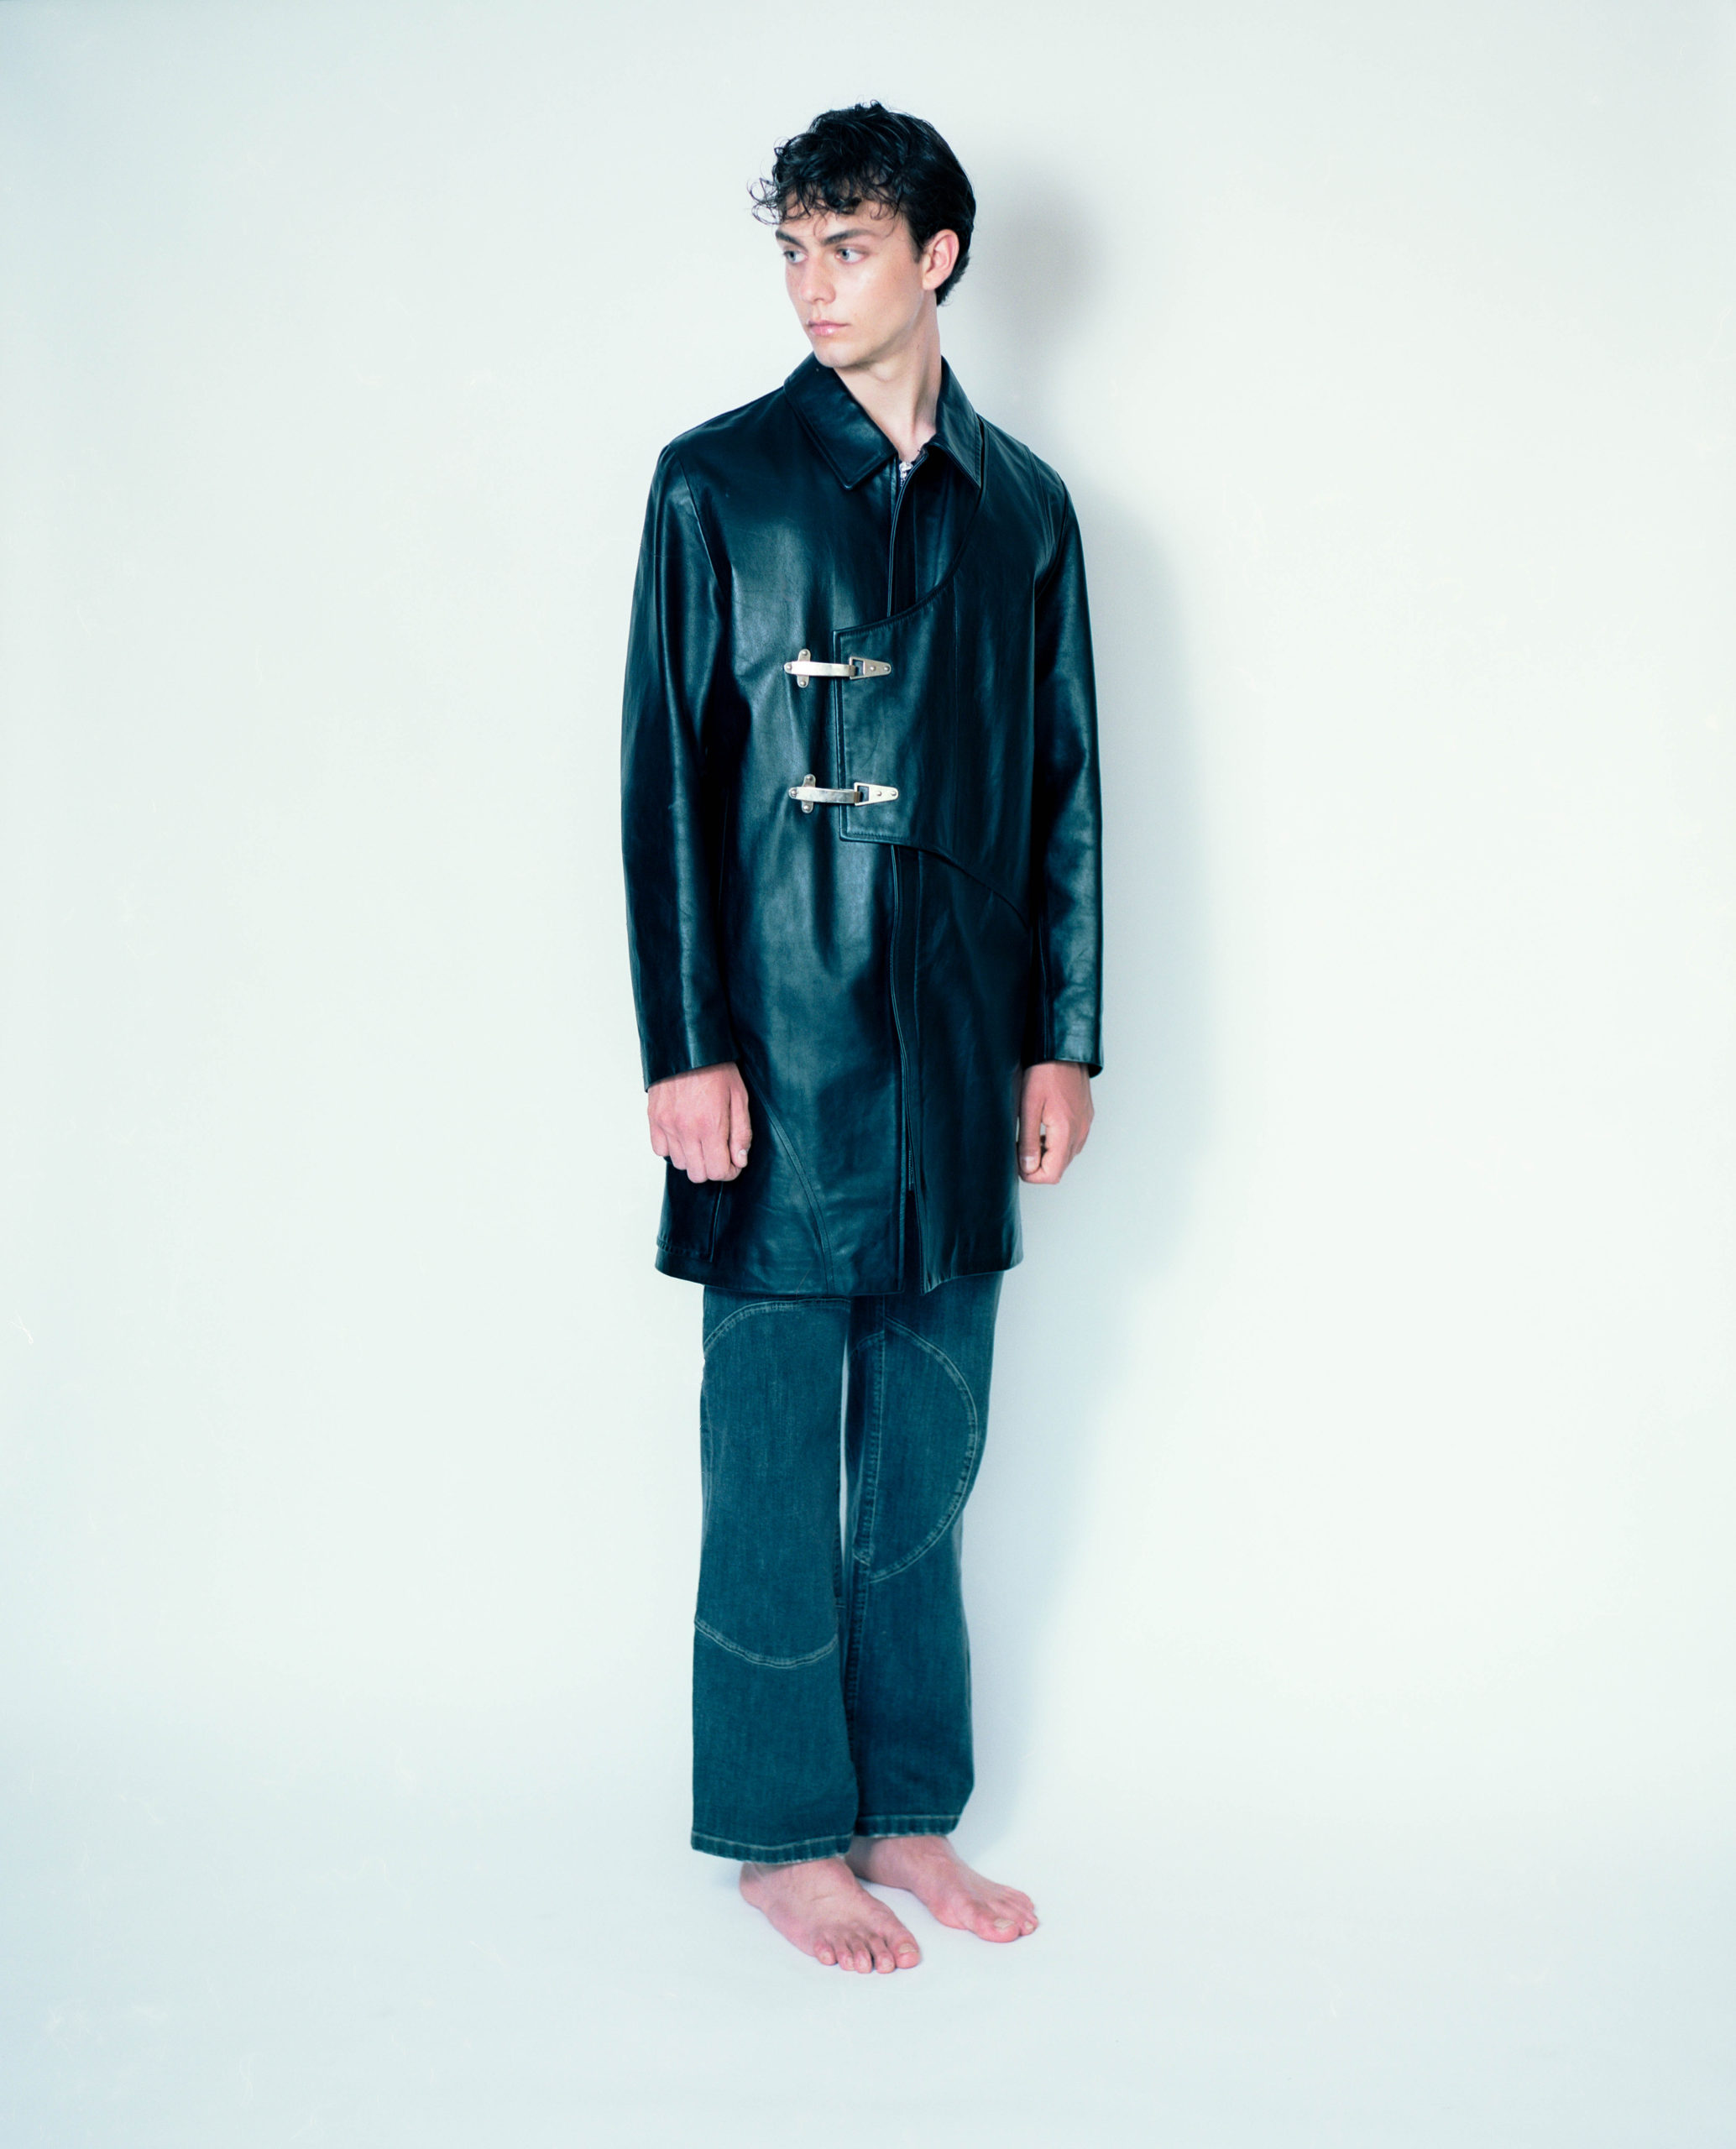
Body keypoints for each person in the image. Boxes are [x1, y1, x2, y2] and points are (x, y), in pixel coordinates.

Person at [620, 102, 1102, 1974]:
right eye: (795, 251)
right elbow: (666, 783)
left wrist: (1061, 1037)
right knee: (766, 1447)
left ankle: (907, 1809)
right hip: (772, 1037)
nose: (814, 285)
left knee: (929, 1448)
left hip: (961, 1047)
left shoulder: (1025, 508)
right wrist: (685, 1044)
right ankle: (775, 1833)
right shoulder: (714, 485)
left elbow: (1065, 790)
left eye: (849, 247)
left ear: (936, 256)